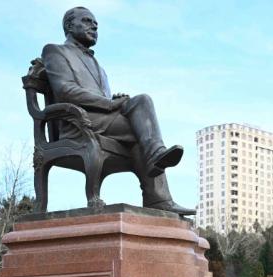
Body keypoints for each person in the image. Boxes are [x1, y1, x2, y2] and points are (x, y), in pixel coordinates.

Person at [41, 7, 194, 215]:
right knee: (141, 127)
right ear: (69, 25)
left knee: (141, 103)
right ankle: (156, 159)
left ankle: (158, 196)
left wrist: (115, 101)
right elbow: (65, 90)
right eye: (87, 21)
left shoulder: (98, 66)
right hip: (78, 122)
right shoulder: (54, 50)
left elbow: (102, 98)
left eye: (96, 24)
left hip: (102, 120)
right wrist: (109, 104)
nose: (94, 27)